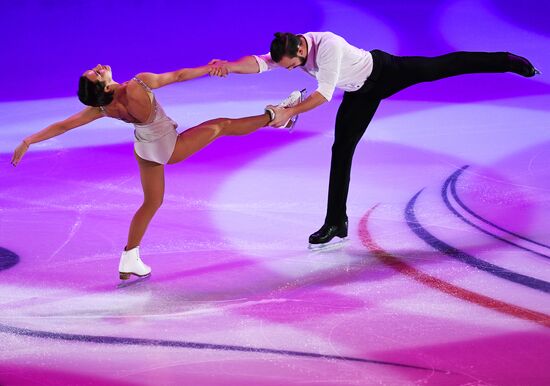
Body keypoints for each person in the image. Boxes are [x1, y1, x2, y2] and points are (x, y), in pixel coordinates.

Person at [209, 31, 541, 248]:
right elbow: (260, 63)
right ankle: (336, 222)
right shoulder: (290, 50)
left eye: (291, 65)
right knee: (341, 151)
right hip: (360, 94)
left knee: (443, 66)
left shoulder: (328, 47)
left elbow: (324, 94)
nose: (289, 69)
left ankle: (506, 60)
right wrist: (229, 66)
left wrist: (287, 112)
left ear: (300, 49)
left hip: (385, 71)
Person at [11, 63, 303, 279]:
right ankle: (277, 116)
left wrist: (27, 140)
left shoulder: (102, 107)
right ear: (103, 86)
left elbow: (64, 125)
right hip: (169, 145)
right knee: (223, 125)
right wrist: (210, 68)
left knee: (152, 202)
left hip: (145, 147)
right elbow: (176, 76)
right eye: (97, 74)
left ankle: (130, 258)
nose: (99, 67)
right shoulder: (137, 85)